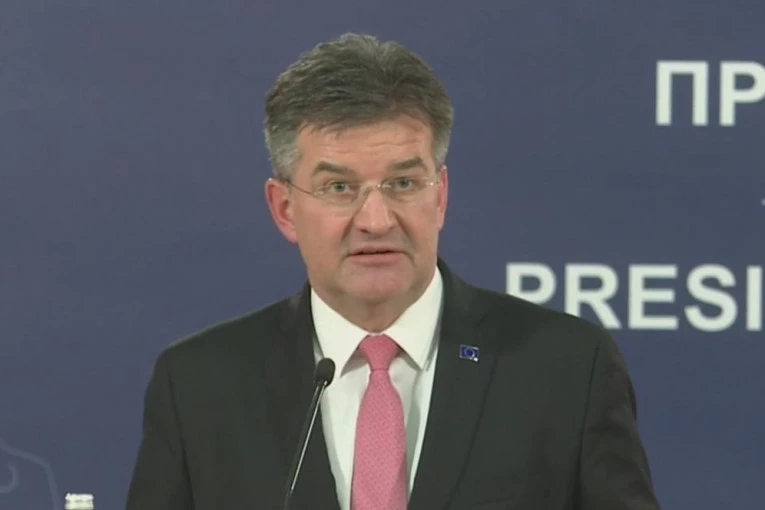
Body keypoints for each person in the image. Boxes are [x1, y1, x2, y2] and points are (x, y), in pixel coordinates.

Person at [126, 33, 660, 510]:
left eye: (403, 184)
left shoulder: (567, 368)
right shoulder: (199, 385)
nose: (376, 220)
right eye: (340, 188)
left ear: (440, 196)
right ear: (285, 209)